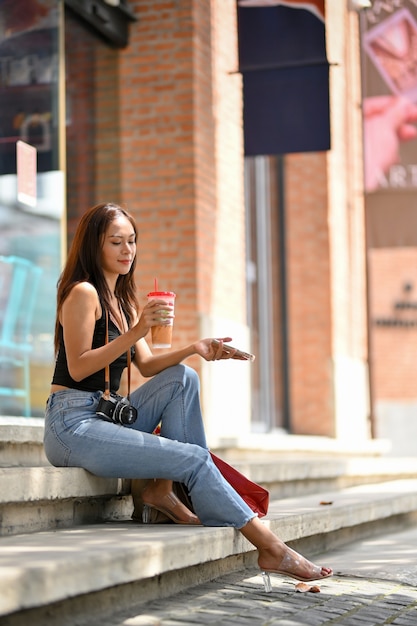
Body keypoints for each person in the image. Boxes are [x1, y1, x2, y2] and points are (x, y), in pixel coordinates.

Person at [43, 202, 333, 588]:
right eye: (116, 242)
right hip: (72, 423)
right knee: (194, 459)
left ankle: (162, 488)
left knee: (183, 377)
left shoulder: (124, 301)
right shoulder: (83, 293)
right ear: (93, 246)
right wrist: (136, 332)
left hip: (106, 415)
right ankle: (270, 547)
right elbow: (78, 367)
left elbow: (145, 366)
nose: (127, 250)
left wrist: (196, 347)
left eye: (132, 241)